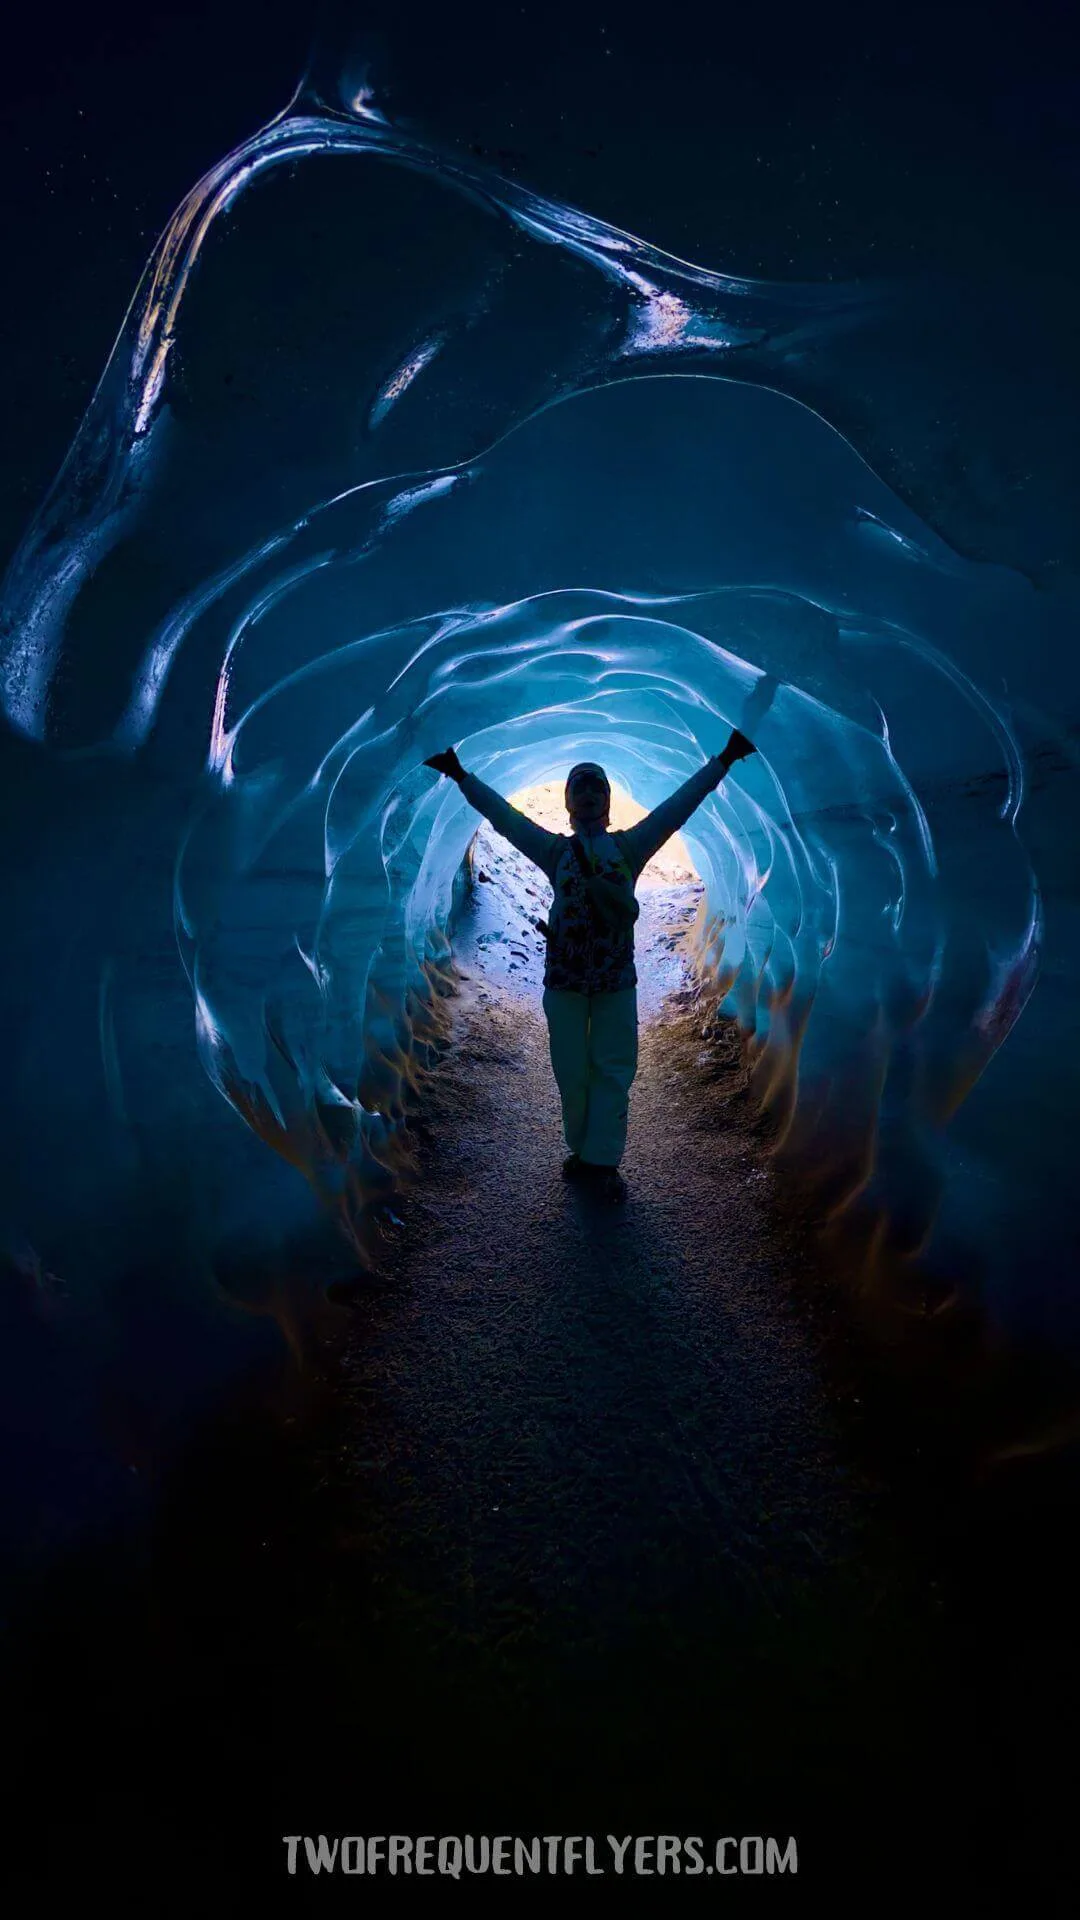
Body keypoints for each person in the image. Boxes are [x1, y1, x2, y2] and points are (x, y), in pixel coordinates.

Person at [424, 729, 755, 1195]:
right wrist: (461, 776)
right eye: (579, 786)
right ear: (569, 803)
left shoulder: (630, 847)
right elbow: (504, 818)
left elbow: (678, 807)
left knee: (614, 1067)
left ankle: (601, 1158)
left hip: (615, 981)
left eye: (595, 786)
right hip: (564, 981)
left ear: (606, 800)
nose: (588, 792)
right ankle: (582, 1149)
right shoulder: (555, 851)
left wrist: (723, 760)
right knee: (571, 1069)